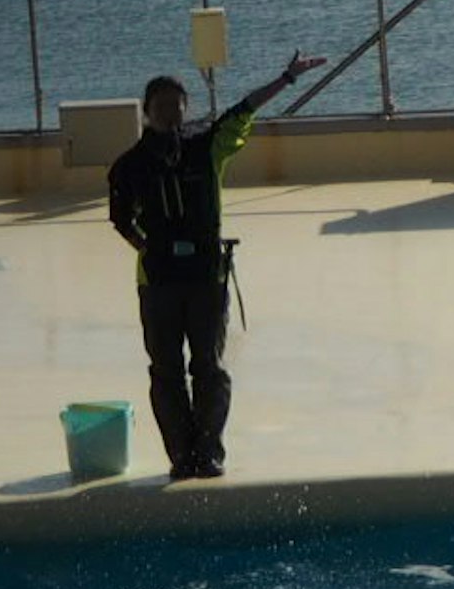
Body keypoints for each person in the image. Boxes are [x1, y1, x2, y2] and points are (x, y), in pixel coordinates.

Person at [108, 49, 317, 479]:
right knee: (165, 370)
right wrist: (147, 248)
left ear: (186, 108)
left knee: (208, 366)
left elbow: (246, 108)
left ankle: (210, 452)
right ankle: (180, 456)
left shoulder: (207, 146)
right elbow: (119, 217)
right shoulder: (129, 165)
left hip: (206, 274)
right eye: (160, 105)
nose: (169, 111)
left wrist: (287, 78)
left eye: (176, 104)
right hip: (158, 282)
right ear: (146, 111)